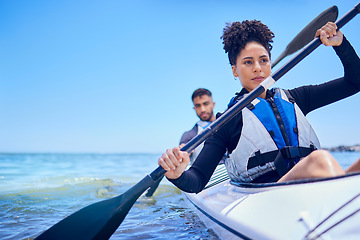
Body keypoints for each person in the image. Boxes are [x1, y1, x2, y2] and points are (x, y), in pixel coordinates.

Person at [158, 20, 360, 194]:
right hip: (267, 195)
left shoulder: (297, 98)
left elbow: (355, 82)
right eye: (248, 62)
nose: (257, 67)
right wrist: (177, 175)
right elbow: (198, 179)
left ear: (270, 64)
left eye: (263, 60)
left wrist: (340, 44)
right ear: (234, 70)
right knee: (320, 160)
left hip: (309, 185)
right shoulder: (227, 119)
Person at [179, 88, 216, 163]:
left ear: (213, 104)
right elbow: (182, 159)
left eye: (206, 104)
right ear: (194, 108)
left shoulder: (227, 124)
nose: (202, 109)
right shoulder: (189, 135)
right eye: (198, 106)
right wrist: (182, 154)